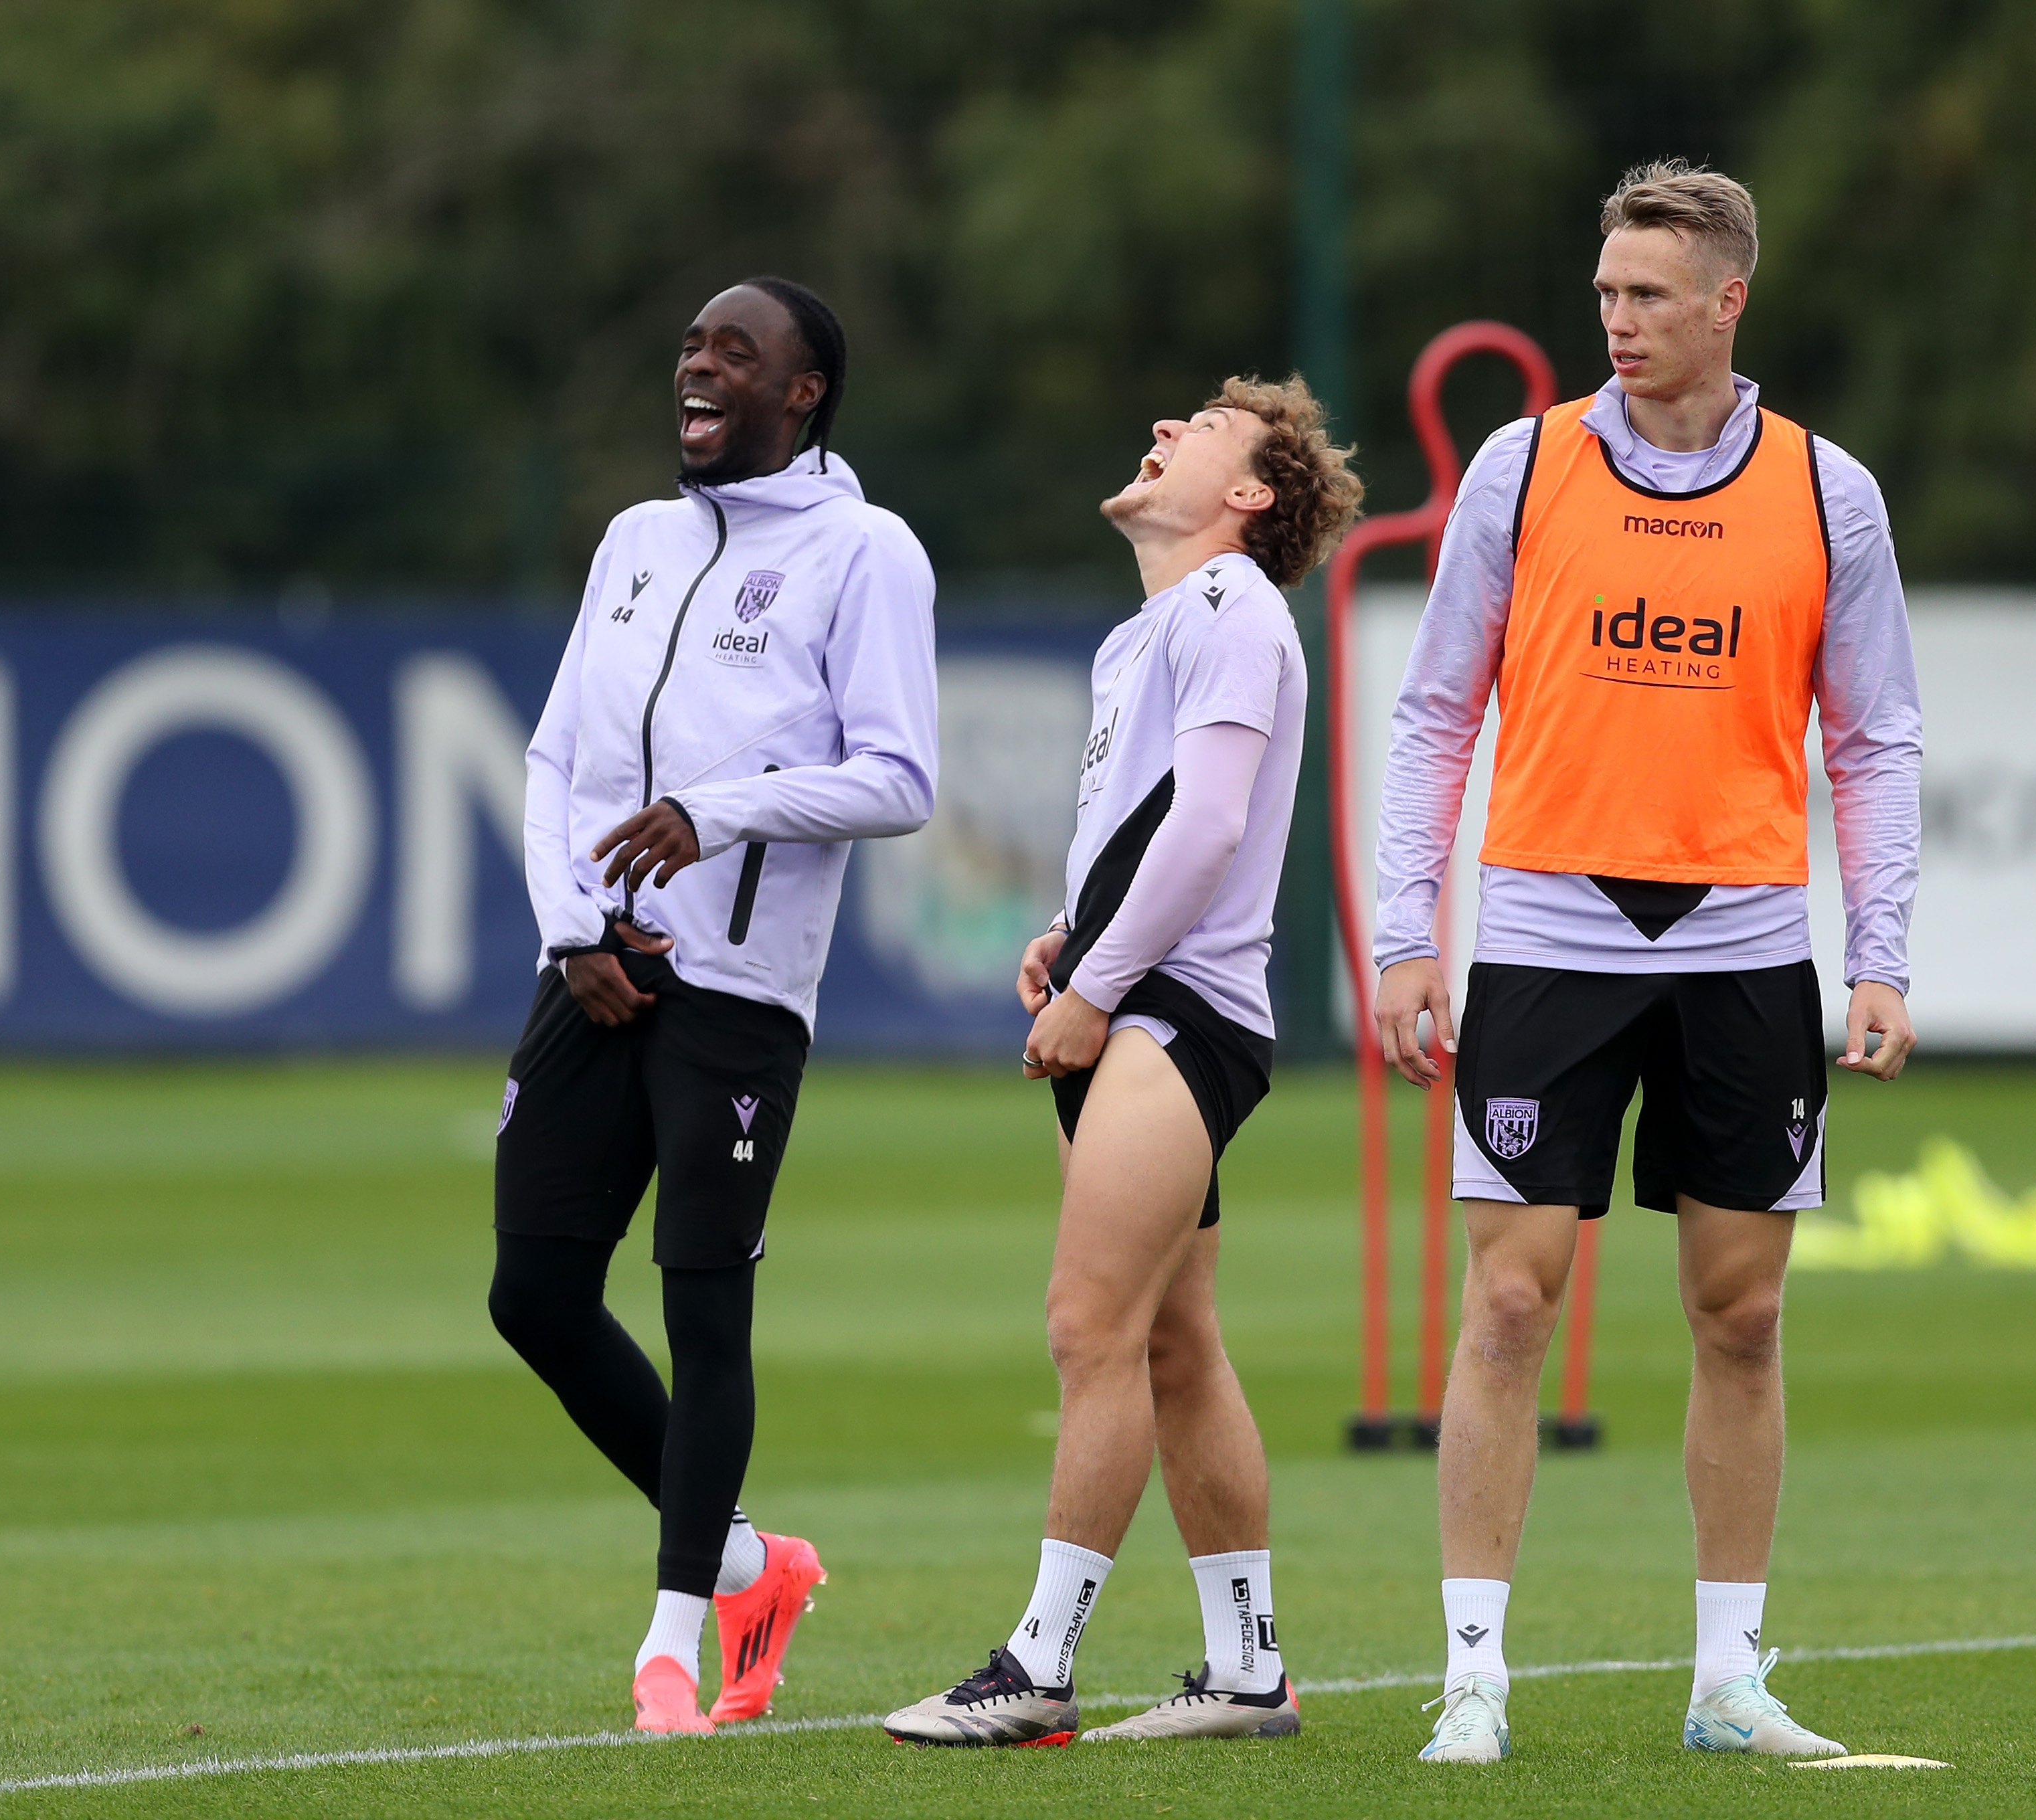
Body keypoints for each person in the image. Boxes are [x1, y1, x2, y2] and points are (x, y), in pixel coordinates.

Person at [1373, 161, 1922, 1766]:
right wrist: (1412, 932)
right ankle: (1474, 1675)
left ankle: (1728, 1682)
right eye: (1605, 293)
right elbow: (1433, 712)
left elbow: (1875, 741)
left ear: (1730, 300)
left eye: (1650, 296)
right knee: (1511, 1301)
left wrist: (1879, 957)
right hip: (1545, 928)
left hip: (1746, 940)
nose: (1616, 322)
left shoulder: (1832, 491)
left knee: (1741, 1318)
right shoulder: (1519, 467)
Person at [881, 378, 1362, 1748]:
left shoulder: (1230, 607)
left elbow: (1209, 829)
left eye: (1201, 429)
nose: (1162, 428)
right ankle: (1248, 1668)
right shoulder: (1145, 635)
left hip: (1175, 1017)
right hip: (1136, 997)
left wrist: (1095, 985)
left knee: (1087, 1325)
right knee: (1171, 1341)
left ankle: (1039, 1663)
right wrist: (1068, 933)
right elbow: (1154, 830)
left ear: (1249, 496)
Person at [490, 277, 939, 1735]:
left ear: (803, 391)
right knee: (535, 1292)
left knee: (706, 1310)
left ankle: (673, 1645)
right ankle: (751, 1561)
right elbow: (556, 758)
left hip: (738, 993)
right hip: (596, 966)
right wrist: (573, 928)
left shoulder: (868, 553)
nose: (698, 362)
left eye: (735, 350)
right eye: (691, 342)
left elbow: (899, 777)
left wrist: (716, 814)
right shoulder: (634, 540)